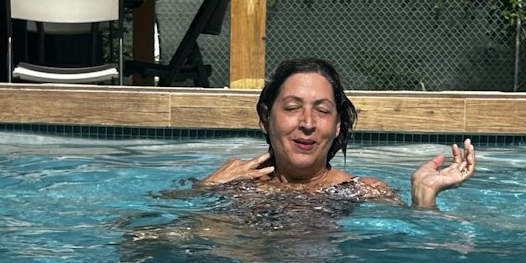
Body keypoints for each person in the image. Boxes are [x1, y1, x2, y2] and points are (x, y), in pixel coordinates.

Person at [196, 58, 476, 209]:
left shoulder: (365, 192)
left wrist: (424, 197)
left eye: (322, 110)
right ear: (266, 119)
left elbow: (417, 249)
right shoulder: (234, 187)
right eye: (292, 107)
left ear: (338, 125)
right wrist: (204, 190)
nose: (307, 123)